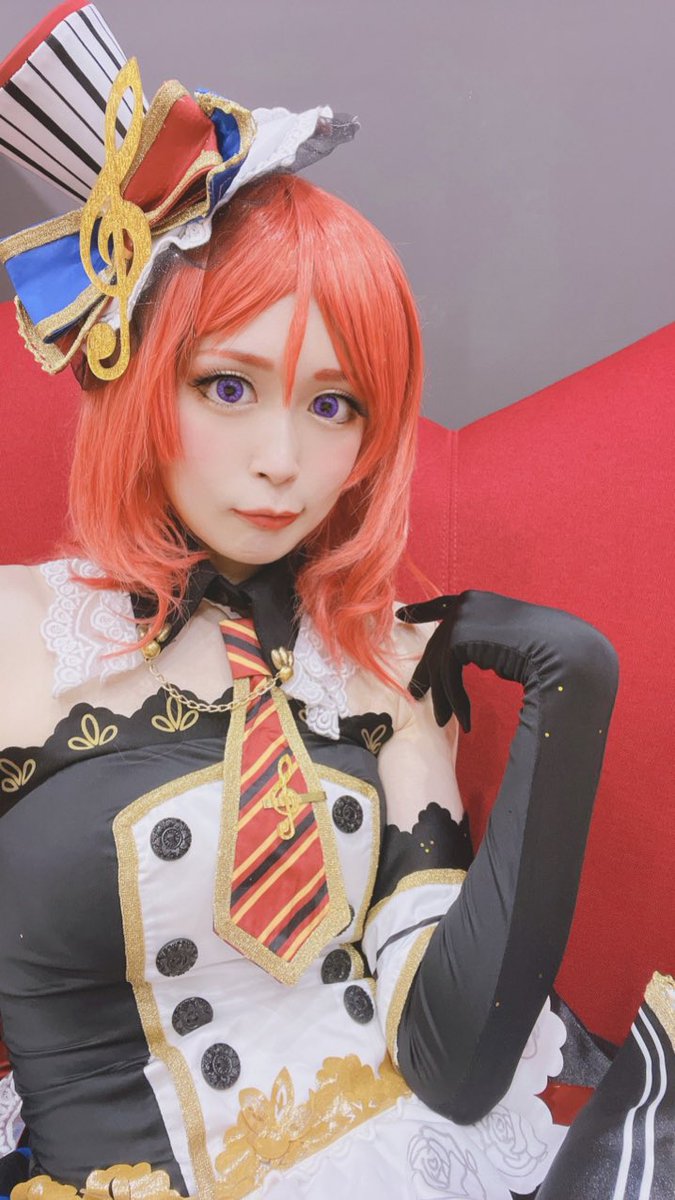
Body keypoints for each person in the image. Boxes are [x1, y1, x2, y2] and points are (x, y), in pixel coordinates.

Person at [0, 5, 672, 1199]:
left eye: (333, 405)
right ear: (140, 382)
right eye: (227, 386)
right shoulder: (16, 633)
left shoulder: (366, 668)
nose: (282, 463)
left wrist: (574, 679)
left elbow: (456, 1064)